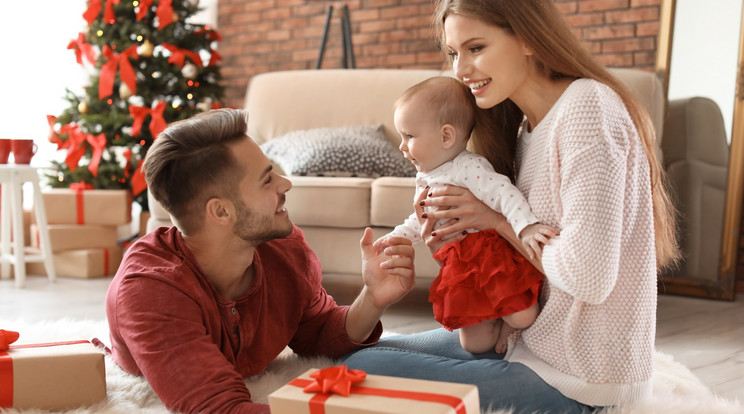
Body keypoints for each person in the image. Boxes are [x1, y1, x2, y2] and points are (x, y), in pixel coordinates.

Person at [343, 0, 680, 413]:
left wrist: (498, 222)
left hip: (583, 383)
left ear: (526, 38)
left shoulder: (587, 108)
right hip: (528, 345)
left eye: (476, 48)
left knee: (363, 367)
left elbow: (590, 277)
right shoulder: (523, 129)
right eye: (453, 53)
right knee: (372, 351)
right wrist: (446, 239)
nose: (460, 70)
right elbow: (513, 265)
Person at [105, 108, 416, 414]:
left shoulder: (283, 247)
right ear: (221, 212)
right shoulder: (149, 290)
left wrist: (373, 298)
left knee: (458, 346)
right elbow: (220, 409)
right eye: (267, 180)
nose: (285, 184)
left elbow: (319, 335)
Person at [377, 76, 557, 354]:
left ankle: (510, 330)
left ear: (446, 136)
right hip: (460, 268)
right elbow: (422, 218)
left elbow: (504, 194)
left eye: (409, 136)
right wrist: (396, 237)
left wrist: (527, 227)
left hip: (488, 256)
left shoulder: (468, 168)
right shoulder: (425, 179)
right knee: (473, 344)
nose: (401, 146)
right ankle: (496, 330)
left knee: (523, 315)